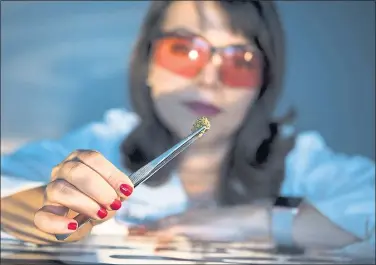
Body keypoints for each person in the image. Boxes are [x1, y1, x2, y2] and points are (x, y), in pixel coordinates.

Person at [1, 0, 374, 258]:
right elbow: (9, 190)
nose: (209, 80)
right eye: (184, 50)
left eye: (240, 61)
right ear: (147, 63)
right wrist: (50, 207)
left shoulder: (305, 161)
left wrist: (258, 220)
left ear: (263, 82)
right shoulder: (100, 142)